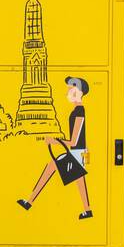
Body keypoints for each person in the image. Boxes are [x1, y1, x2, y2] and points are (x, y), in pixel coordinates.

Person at [18, 76, 93, 220]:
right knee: (78, 181)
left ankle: (29, 201)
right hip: (78, 151)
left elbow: (73, 140)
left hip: (77, 152)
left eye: (72, 89)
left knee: (53, 169)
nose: (68, 92)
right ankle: (87, 210)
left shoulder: (79, 111)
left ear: (80, 92)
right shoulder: (77, 110)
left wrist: (54, 140)